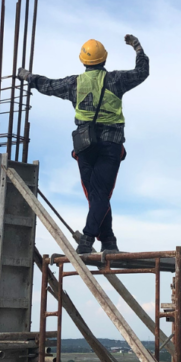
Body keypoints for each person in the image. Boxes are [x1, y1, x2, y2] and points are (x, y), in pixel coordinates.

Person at [17, 35, 148, 254]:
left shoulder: (74, 83)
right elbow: (142, 72)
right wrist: (138, 48)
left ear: (83, 60)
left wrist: (28, 77)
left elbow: (48, 86)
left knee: (97, 195)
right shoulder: (116, 80)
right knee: (100, 194)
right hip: (111, 144)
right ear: (104, 59)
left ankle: (101, 240)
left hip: (85, 145)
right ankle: (98, 240)